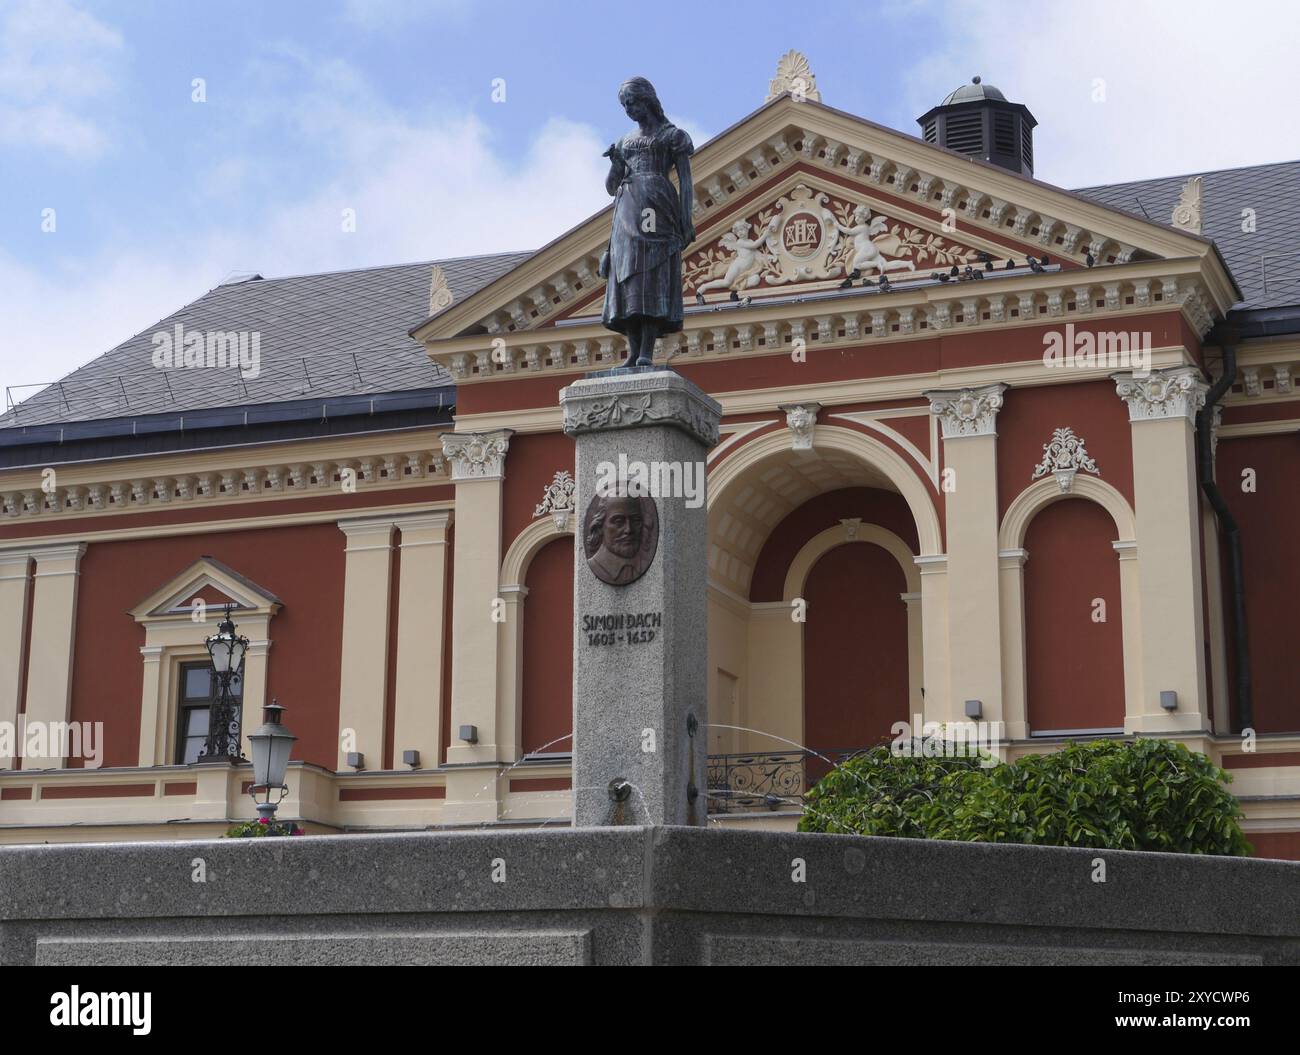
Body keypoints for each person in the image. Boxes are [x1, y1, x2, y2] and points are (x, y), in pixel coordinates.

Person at [601, 77, 695, 369]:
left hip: (658, 207)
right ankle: (632, 351)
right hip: (627, 210)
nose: (629, 109)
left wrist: (686, 220)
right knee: (627, 275)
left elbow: (687, 181)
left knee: (651, 275)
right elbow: (610, 186)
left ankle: (647, 350)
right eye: (625, 105)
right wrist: (616, 162)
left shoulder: (672, 136)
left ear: (648, 100)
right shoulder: (624, 142)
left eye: (633, 102)